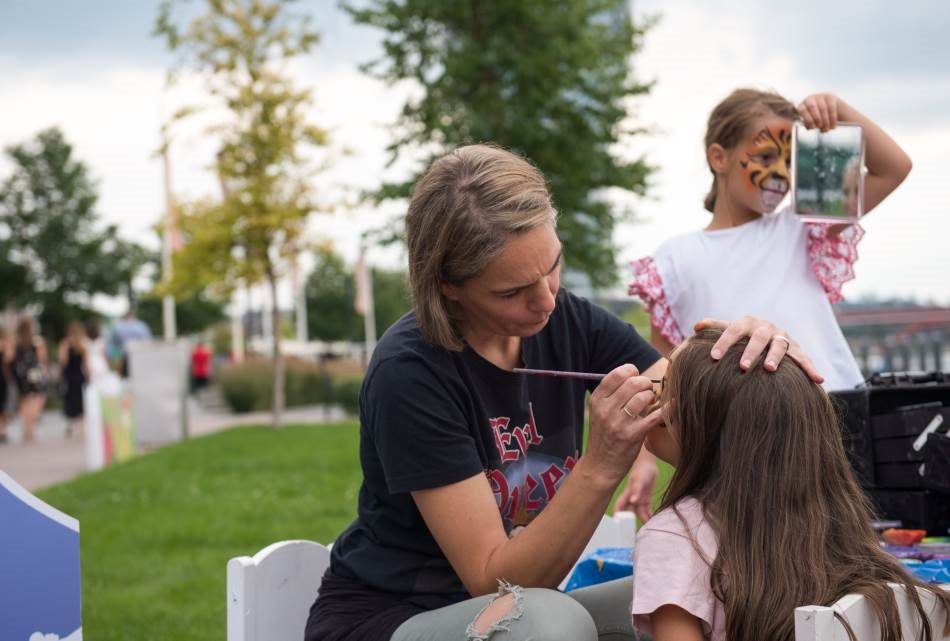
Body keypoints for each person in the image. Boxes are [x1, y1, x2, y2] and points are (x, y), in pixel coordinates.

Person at [305, 144, 819, 641]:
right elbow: (492, 582)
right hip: (397, 618)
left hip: (524, 609)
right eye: (511, 291)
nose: (546, 300)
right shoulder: (410, 372)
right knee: (548, 623)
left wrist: (754, 362)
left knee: (698, 591)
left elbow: (696, 411)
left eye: (553, 266)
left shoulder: (565, 317)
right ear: (447, 284)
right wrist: (602, 463)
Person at [621, 90, 912, 520]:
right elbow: (662, 375)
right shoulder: (671, 261)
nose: (781, 173)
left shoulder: (802, 225)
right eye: (766, 155)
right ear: (719, 157)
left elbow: (893, 168)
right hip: (738, 445)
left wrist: (840, 112)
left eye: (791, 161)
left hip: (835, 423)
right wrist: (645, 461)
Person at [631, 328, 950, 641]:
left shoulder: (671, 538)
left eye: (663, 385)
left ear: (690, 421)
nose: (651, 393)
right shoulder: (831, 521)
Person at [7, 317, 48, 443]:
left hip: (20, 376)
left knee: (24, 402)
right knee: (37, 400)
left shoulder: (15, 342)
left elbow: (9, 358)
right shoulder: (37, 341)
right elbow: (43, 359)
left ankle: (27, 427)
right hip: (34, 376)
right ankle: (31, 429)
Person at [58, 321, 89, 438]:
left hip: (69, 376)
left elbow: (63, 361)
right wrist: (88, 377)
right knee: (81, 402)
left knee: (70, 401)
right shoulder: (83, 345)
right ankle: (81, 429)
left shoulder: (65, 344)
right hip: (79, 376)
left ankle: (69, 425)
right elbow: (86, 365)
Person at [108, 309, 152, 378]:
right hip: (140, 357)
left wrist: (113, 359)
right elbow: (148, 342)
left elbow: (113, 344)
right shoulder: (142, 326)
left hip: (124, 357)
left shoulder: (118, 326)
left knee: (125, 379)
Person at [0, 326, 10, 444]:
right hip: (2, 377)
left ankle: (2, 430)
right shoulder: (5, 344)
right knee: (3, 405)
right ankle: (2, 430)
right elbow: (9, 358)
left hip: (3, 378)